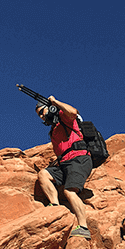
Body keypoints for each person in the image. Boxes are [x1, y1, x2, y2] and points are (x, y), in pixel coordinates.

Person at [35, 96, 93, 240]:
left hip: (79, 159)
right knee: (43, 174)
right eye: (39, 115)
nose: (42, 117)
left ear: (51, 108)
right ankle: (55, 205)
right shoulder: (54, 129)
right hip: (64, 163)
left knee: (70, 191)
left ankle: (83, 227)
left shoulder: (64, 117)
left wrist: (54, 102)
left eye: (42, 112)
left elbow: (73, 112)